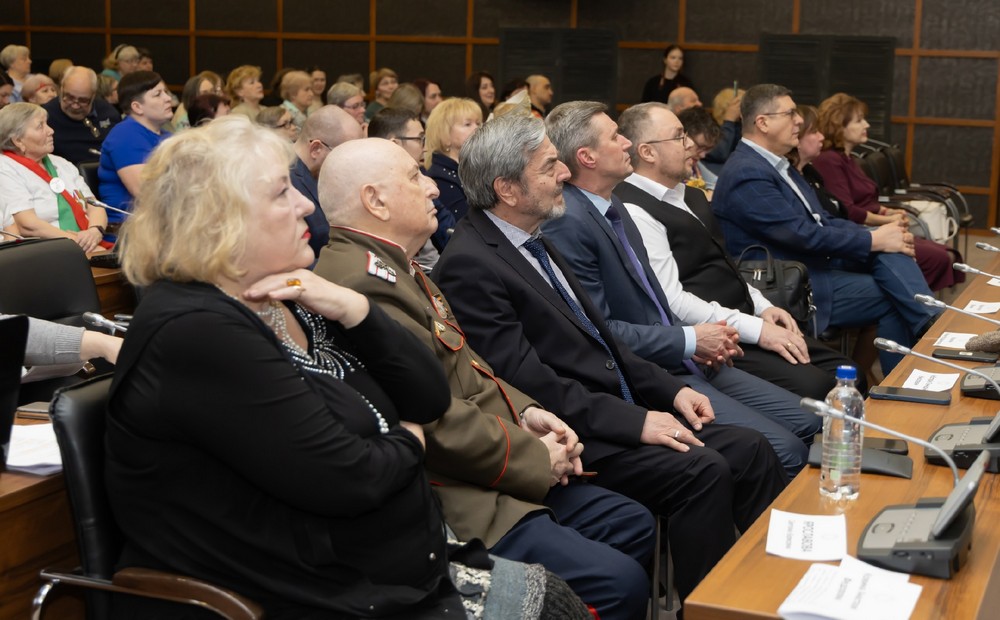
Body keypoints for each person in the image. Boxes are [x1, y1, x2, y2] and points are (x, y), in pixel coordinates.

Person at [107, 115, 588, 619]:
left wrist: (357, 311)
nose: (305, 204)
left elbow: (427, 397)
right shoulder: (197, 331)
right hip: (302, 590)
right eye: (281, 193)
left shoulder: (285, 297)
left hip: (383, 565)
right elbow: (354, 479)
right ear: (217, 221)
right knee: (561, 606)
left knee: (561, 600)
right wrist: (411, 439)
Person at [433, 112, 788, 608]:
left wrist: (672, 390)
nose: (564, 173)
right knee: (702, 471)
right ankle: (711, 608)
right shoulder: (472, 263)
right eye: (549, 166)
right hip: (576, 432)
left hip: (613, 407)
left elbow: (605, 341)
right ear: (507, 189)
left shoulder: (533, 235)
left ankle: (768, 597)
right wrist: (638, 421)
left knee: (751, 449)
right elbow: (529, 383)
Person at [316, 138, 656, 619]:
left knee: (630, 522)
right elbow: (433, 417)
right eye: (415, 177)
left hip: (489, 461)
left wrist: (530, 413)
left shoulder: (395, 265)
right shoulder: (364, 284)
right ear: (375, 201)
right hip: (458, 493)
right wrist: (535, 456)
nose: (434, 188)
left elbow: (472, 367)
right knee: (618, 581)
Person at [541, 101, 818, 477]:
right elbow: (600, 331)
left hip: (684, 356)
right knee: (785, 448)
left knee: (810, 421)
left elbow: (654, 300)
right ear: (587, 157)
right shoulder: (570, 222)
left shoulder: (612, 204)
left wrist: (700, 340)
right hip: (650, 371)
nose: (626, 143)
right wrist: (690, 339)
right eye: (615, 136)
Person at [614, 102, 860, 400]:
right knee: (822, 387)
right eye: (679, 136)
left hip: (743, 318)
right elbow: (673, 302)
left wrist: (763, 307)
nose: (689, 144)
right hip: (715, 338)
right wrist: (757, 329)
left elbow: (726, 264)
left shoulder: (690, 195)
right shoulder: (634, 210)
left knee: (846, 370)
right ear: (647, 152)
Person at [712, 84, 939, 375]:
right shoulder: (747, 171)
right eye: (790, 113)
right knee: (894, 295)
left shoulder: (777, 165)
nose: (798, 120)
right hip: (789, 283)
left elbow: (823, 220)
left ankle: (932, 324)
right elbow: (800, 234)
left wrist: (878, 237)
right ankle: (926, 343)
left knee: (892, 253)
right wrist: (872, 239)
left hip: (812, 265)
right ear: (763, 122)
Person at [813, 93, 962, 291]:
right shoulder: (829, 160)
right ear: (839, 126)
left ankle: (912, 299)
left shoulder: (848, 158)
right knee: (938, 258)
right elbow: (848, 210)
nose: (867, 125)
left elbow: (865, 200)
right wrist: (887, 220)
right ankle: (908, 299)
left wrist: (888, 211)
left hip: (873, 228)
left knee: (946, 253)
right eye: (859, 120)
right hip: (860, 235)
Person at [0, 103, 108, 252]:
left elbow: (94, 205)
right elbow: (27, 225)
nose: (51, 131)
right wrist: (77, 243)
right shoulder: (5, 168)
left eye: (47, 124)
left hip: (86, 242)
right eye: (40, 126)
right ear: (18, 140)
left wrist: (95, 231)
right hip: (45, 250)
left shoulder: (61, 162)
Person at [367, 106, 454, 262]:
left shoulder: (421, 175)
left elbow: (446, 227)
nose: (425, 148)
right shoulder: (383, 193)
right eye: (420, 139)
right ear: (395, 145)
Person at [97, 70, 173, 234]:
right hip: (130, 232)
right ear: (137, 107)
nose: (168, 98)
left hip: (164, 226)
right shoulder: (125, 135)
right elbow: (146, 192)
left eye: (166, 92)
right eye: (158, 94)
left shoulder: (168, 136)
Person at [289, 105, 364, 259]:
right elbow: (289, 259)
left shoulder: (318, 172)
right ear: (316, 149)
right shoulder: (284, 183)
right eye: (346, 156)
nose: (352, 165)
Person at [42, 66, 121, 165]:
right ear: (61, 90)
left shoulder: (109, 113)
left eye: (83, 100)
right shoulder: (45, 117)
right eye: (69, 97)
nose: (75, 105)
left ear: (93, 96)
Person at [425, 98, 482, 223]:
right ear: (445, 133)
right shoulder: (440, 178)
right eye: (468, 124)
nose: (477, 128)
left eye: (478, 123)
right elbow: (465, 223)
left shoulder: (471, 167)